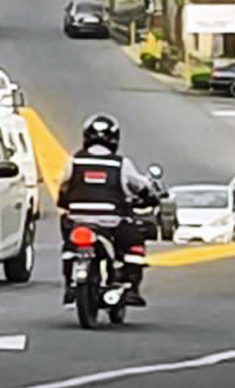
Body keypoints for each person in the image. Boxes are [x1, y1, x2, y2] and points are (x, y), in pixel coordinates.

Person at [56, 113, 160, 307]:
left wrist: (66, 202)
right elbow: (140, 185)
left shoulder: (74, 161)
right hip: (112, 222)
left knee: (69, 245)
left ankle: (70, 284)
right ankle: (130, 286)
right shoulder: (121, 164)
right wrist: (150, 196)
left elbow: (63, 184)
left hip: (77, 221)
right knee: (134, 241)